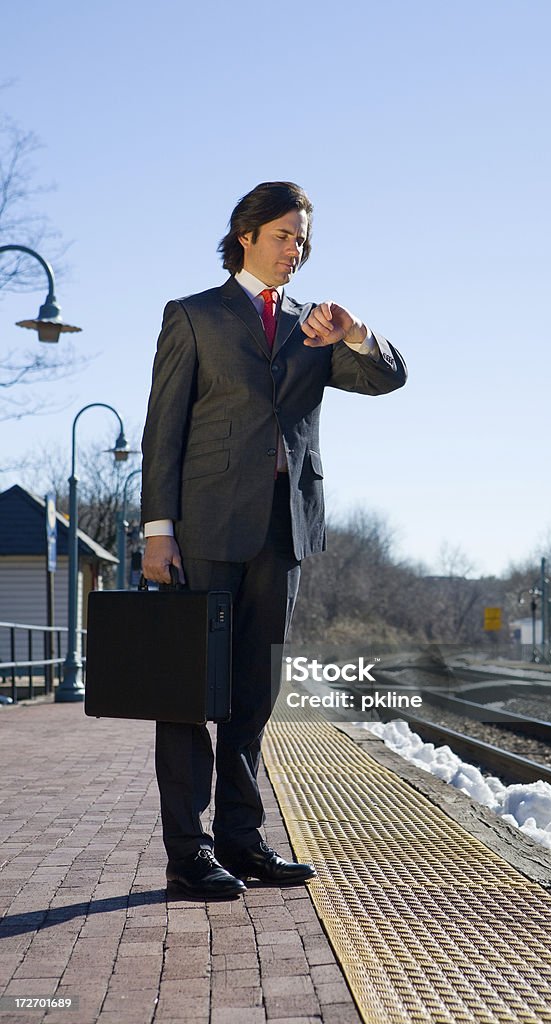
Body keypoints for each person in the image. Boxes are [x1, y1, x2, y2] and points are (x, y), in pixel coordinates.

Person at [141, 181, 407, 898]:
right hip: (203, 528)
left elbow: (389, 378)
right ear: (247, 234)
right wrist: (156, 531)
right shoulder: (194, 316)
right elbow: (163, 429)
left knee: (255, 695)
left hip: (283, 528)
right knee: (189, 691)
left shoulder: (315, 326)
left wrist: (353, 333)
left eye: (304, 238)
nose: (297, 248)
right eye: (286, 234)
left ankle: (241, 841)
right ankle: (188, 852)